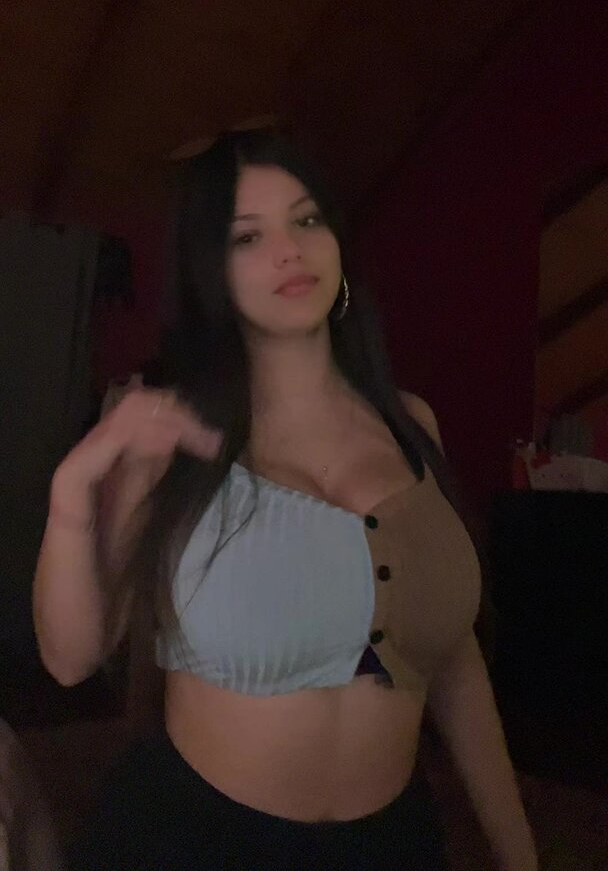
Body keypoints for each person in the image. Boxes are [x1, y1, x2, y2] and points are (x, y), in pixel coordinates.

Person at [33, 130, 537, 870]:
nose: (290, 250)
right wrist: (72, 491)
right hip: (191, 845)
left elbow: (453, 662)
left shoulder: (413, 424)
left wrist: (520, 855)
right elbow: (71, 660)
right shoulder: (169, 437)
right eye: (247, 236)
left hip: (392, 847)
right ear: (210, 273)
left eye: (306, 220)